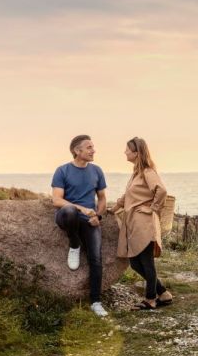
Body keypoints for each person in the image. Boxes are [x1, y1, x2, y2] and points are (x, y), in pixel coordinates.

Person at [51, 134, 109, 317]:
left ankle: (95, 302)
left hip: (89, 220)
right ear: (77, 151)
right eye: (89, 147)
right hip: (68, 217)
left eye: (93, 147)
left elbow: (102, 199)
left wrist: (97, 217)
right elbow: (56, 200)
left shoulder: (97, 171)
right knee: (69, 211)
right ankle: (74, 244)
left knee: (96, 258)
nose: (94, 150)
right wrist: (81, 209)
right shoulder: (62, 171)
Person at [114, 137, 173, 310]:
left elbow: (161, 190)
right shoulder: (136, 173)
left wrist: (152, 208)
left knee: (146, 262)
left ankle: (150, 299)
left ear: (137, 152)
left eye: (127, 149)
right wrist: (113, 208)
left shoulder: (148, 171)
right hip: (134, 222)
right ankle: (163, 293)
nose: (124, 152)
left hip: (144, 222)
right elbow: (128, 197)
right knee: (135, 262)